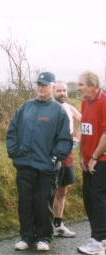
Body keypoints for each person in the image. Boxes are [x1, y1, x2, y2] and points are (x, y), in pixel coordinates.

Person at [6, 72, 73, 251]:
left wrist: (55, 156)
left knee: (43, 202)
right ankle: (27, 237)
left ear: (52, 87)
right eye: (38, 84)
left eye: (44, 84)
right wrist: (14, 151)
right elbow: (12, 130)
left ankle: (44, 237)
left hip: (46, 167)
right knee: (25, 202)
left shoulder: (58, 111)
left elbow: (65, 138)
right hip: (24, 164)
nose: (40, 87)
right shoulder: (25, 108)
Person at [76, 71, 106, 255]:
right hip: (87, 161)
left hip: (102, 160)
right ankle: (98, 235)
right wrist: (81, 156)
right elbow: (84, 130)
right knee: (88, 197)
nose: (78, 88)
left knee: (97, 197)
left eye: (81, 85)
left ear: (92, 85)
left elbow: (105, 135)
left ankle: (98, 241)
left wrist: (94, 157)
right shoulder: (84, 102)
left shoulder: (104, 102)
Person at [53, 81, 81, 237]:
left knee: (62, 191)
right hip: (50, 153)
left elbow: (85, 121)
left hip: (67, 153)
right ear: (53, 91)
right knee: (48, 190)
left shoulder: (70, 108)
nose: (62, 93)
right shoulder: (48, 107)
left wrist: (78, 137)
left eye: (64, 90)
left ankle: (58, 225)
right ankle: (43, 226)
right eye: (59, 91)